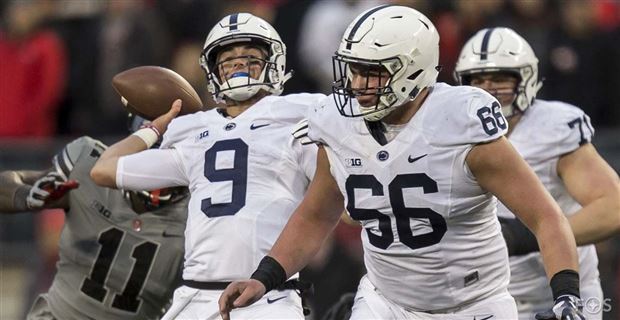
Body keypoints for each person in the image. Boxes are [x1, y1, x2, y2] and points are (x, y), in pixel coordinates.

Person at [218, 5, 586, 320]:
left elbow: (545, 216)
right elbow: (317, 213)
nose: (358, 84)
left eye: (373, 72)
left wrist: (567, 295)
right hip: (386, 303)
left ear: (413, 69)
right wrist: (266, 275)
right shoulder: (336, 124)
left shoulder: (461, 125)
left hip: (475, 304)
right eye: (354, 70)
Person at [90, 13, 324, 319]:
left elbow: (333, 195)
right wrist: (154, 129)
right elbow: (104, 169)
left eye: (250, 57)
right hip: (195, 296)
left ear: (274, 63)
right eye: (228, 60)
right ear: (213, 72)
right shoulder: (194, 132)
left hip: (267, 294)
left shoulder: (300, 114)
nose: (239, 65)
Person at [454, 27, 620, 320]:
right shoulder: (449, 132)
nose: (488, 90)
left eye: (500, 80)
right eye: (477, 80)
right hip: (476, 297)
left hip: (554, 293)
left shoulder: (553, 128)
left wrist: (529, 236)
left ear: (526, 79)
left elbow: (613, 208)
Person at [0, 115, 188, 319]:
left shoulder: (197, 210)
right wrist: (25, 195)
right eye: (149, 156)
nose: (153, 173)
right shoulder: (89, 167)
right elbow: (7, 184)